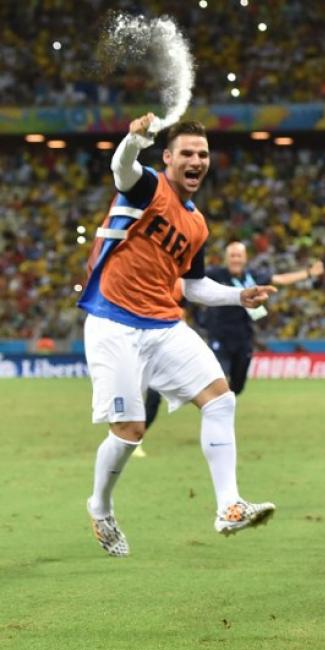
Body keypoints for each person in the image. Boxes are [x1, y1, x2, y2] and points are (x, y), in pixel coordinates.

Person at [78, 113, 276, 557]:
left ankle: (229, 505)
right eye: (186, 152)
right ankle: (101, 506)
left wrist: (238, 298)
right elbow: (121, 169)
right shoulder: (149, 186)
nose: (196, 160)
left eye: (202, 154)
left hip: (164, 324)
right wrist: (134, 139)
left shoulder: (197, 224)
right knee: (130, 431)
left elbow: (193, 285)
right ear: (167, 158)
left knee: (221, 398)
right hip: (114, 322)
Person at [203, 241, 324, 395]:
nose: (235, 259)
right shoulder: (214, 274)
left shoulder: (252, 277)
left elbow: (280, 279)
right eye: (232, 256)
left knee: (237, 387)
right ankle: (218, 410)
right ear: (226, 259)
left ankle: (225, 406)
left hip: (243, 339)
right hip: (219, 337)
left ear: (245, 258)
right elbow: (192, 282)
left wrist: (309, 273)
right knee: (219, 381)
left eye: (239, 255)